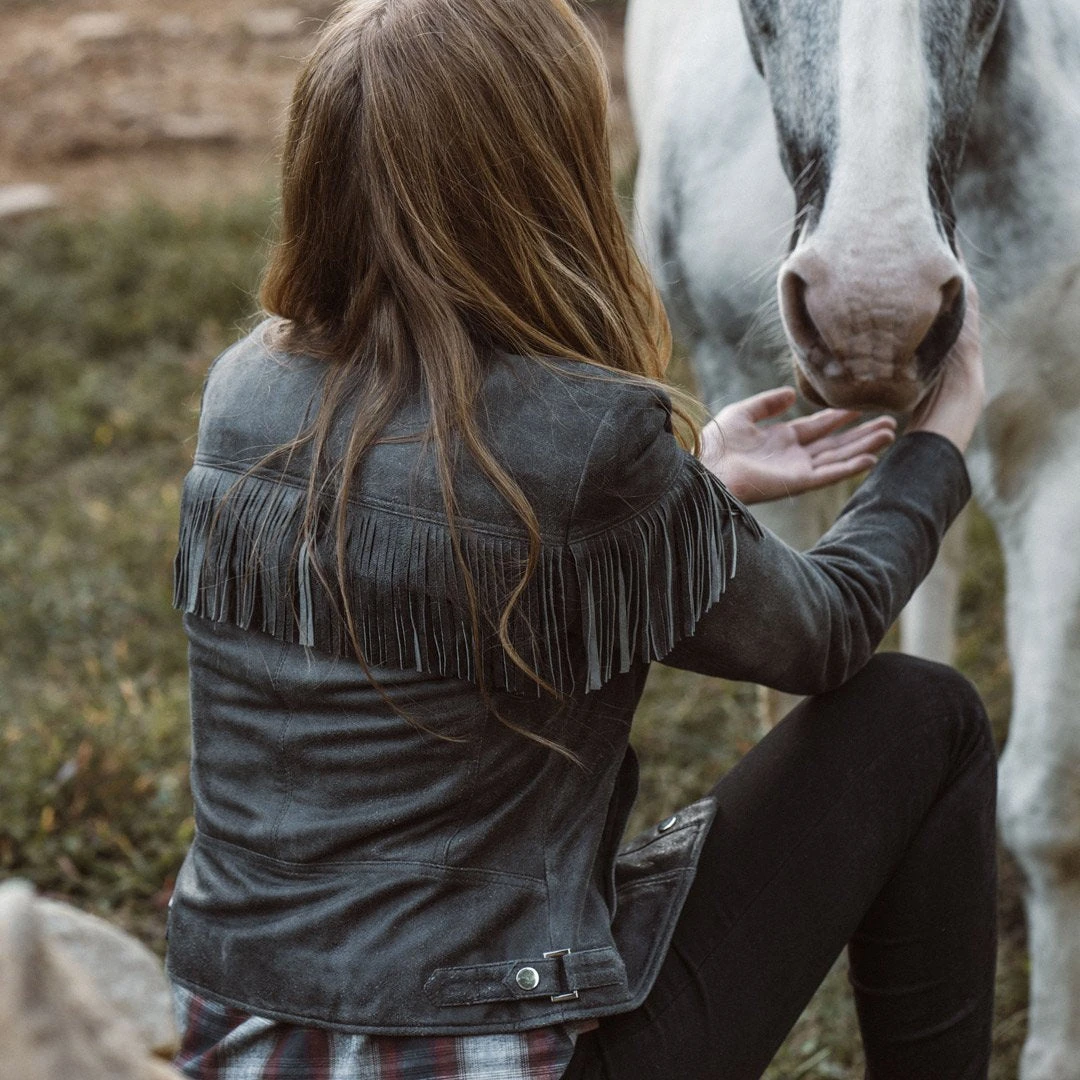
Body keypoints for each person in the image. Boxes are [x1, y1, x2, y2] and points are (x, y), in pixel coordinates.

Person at [166, 1, 995, 1078]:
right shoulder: (587, 435)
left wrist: (694, 489)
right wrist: (938, 442)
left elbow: (448, 541)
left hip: (242, 1035)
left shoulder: (240, 393)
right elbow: (826, 635)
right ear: (540, 168)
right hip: (489, 1048)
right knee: (921, 714)